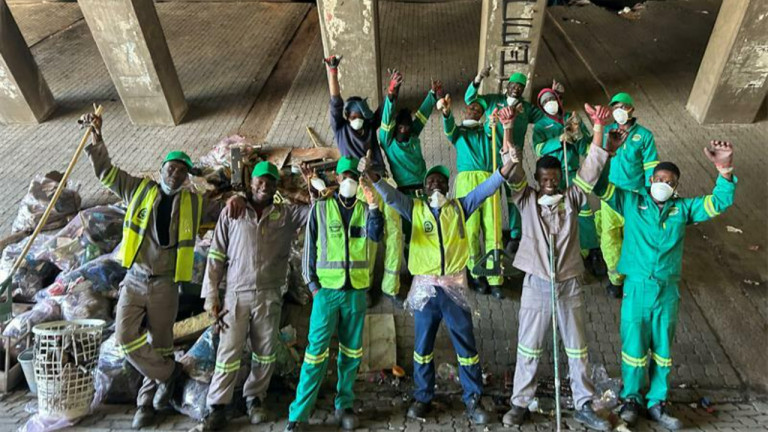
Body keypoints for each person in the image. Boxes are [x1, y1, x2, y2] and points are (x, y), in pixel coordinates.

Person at [82, 113, 239, 429]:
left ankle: (147, 405)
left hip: (167, 285)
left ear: (185, 177)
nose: (176, 173)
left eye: (182, 171)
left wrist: (239, 199)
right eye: (172, 168)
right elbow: (105, 173)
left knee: (162, 345)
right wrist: (96, 138)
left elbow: (222, 211)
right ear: (162, 169)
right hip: (136, 280)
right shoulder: (138, 189)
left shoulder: (193, 203)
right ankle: (171, 374)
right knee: (126, 338)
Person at [366, 147, 518, 426]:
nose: (435, 185)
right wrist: (373, 177)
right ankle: (423, 396)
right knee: (422, 347)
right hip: (426, 291)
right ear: (423, 189)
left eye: (440, 182)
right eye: (430, 182)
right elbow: (390, 195)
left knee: (467, 346)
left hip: (454, 290)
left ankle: (473, 397)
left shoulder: (460, 207)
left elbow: (486, 189)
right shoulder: (414, 208)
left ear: (448, 187)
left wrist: (506, 167)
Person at [597, 141, 736, 430]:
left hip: (667, 292)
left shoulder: (682, 210)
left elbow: (717, 202)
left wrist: (724, 170)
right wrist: (605, 153)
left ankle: (656, 402)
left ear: (676, 187)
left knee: (663, 350)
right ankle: (631, 400)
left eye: (669, 182)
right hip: (636, 289)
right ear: (650, 180)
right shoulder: (632, 203)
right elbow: (598, 185)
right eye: (659, 180)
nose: (663, 184)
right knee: (633, 349)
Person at [500, 105, 618, 431]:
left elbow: (592, 169)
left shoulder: (573, 198)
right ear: (537, 180)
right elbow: (511, 167)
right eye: (544, 179)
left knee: (577, 347)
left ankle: (584, 404)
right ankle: (519, 402)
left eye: (554, 179)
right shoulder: (525, 200)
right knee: (529, 346)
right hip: (537, 284)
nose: (550, 184)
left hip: (569, 285)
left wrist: (598, 130)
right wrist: (508, 130)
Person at [200, 162, 311, 430]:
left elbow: (317, 213)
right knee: (228, 352)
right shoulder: (234, 211)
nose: (265, 185)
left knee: (265, 352)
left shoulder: (286, 215)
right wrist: (211, 296)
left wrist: (308, 186)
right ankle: (217, 407)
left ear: (276, 187)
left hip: (270, 293)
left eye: (271, 182)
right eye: (261, 181)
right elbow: (215, 256)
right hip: (236, 295)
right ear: (251, 183)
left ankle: (255, 399)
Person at [286, 157, 384, 431]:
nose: (349, 179)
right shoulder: (321, 208)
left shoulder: (366, 209)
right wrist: (313, 287)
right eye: (345, 175)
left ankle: (345, 404)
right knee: (315, 353)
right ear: (337, 179)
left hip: (355, 293)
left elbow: (376, 236)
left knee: (351, 353)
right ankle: (299, 414)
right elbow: (309, 250)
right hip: (326, 294)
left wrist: (375, 204)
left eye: (354, 175)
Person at [324, 55, 402, 304]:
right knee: (367, 237)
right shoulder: (340, 129)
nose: (357, 119)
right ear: (347, 116)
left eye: (361, 115)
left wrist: (392, 91)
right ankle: (365, 284)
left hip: (380, 180)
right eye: (353, 115)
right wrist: (333, 72)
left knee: (395, 232)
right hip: (357, 187)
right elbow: (335, 102)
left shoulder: (370, 126)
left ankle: (391, 285)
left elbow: (385, 111)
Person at [465, 67, 547, 253]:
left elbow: (544, 118)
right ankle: (492, 234)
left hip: (512, 158)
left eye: (520, 87)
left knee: (514, 195)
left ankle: (515, 234)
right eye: (513, 85)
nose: (516, 89)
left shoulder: (525, 108)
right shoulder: (494, 100)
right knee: (493, 194)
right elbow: (470, 100)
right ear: (506, 86)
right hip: (491, 156)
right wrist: (477, 80)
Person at [532, 87, 606, 276]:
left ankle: (593, 250)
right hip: (553, 178)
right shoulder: (540, 126)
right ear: (541, 106)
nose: (550, 102)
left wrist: (578, 134)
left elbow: (586, 149)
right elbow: (538, 149)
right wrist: (558, 140)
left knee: (584, 211)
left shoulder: (571, 120)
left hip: (573, 173)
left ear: (559, 99)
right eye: (545, 100)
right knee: (559, 213)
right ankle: (569, 252)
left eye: (552, 98)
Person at [440, 94, 504, 299]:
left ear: (482, 115)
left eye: (478, 110)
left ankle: (495, 277)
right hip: (466, 182)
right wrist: (447, 113)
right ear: (465, 111)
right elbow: (448, 128)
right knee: (471, 228)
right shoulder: (458, 133)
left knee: (493, 226)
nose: (473, 111)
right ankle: (476, 273)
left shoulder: (487, 131)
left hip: (488, 179)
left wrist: (495, 122)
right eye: (471, 108)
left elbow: (494, 133)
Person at [598, 92, 659, 298]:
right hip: (610, 195)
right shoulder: (607, 131)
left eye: (623, 107)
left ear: (631, 109)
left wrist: (653, 192)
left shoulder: (644, 136)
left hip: (635, 197)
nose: (619, 111)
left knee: (632, 238)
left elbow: (651, 166)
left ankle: (633, 277)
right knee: (609, 238)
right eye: (615, 107)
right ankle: (616, 279)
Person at [379, 71, 442, 268]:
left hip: (425, 191)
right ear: (395, 128)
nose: (405, 132)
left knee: (429, 228)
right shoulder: (388, 141)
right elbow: (387, 117)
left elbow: (422, 116)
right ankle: (414, 268)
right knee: (410, 233)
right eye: (401, 128)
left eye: (407, 128)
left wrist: (432, 95)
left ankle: (431, 263)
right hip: (405, 194)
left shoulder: (413, 135)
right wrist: (392, 93)